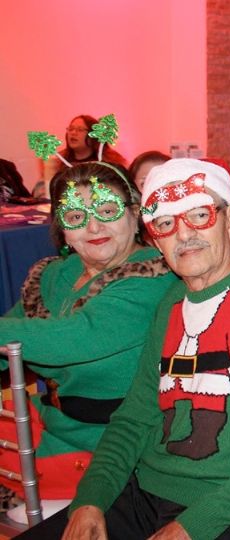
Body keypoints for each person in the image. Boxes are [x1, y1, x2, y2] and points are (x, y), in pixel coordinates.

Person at [24, 158, 230, 540]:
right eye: (165, 223)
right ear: (155, 239)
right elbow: (135, 417)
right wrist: (90, 500)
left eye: (198, 216)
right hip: (148, 492)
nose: (183, 235)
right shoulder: (170, 302)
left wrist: (193, 526)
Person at [0, 162, 175, 515]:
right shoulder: (54, 275)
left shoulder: (154, 277)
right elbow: (11, 338)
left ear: (134, 214)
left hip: (113, 448)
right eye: (76, 215)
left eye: (108, 211)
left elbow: (74, 338)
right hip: (49, 424)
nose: (94, 226)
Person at [35, 115, 128, 199]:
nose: (73, 133)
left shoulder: (110, 161)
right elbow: (39, 191)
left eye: (80, 130)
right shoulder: (58, 161)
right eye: (71, 129)